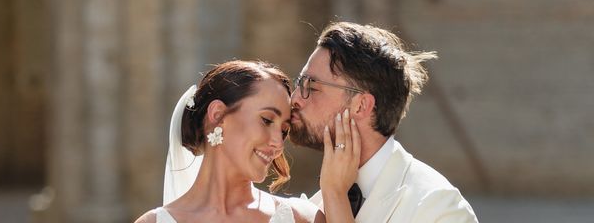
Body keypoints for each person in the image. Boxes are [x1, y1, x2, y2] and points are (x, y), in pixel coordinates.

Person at [290, 22, 479, 223]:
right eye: (299, 82)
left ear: (361, 105)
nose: (294, 98)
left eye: (311, 86)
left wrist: (336, 195)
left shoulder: (438, 207)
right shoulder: (313, 204)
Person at [133, 59, 359, 223]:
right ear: (218, 115)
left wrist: (336, 192)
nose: (278, 144)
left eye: (283, 131)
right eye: (266, 120)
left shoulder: (300, 217)